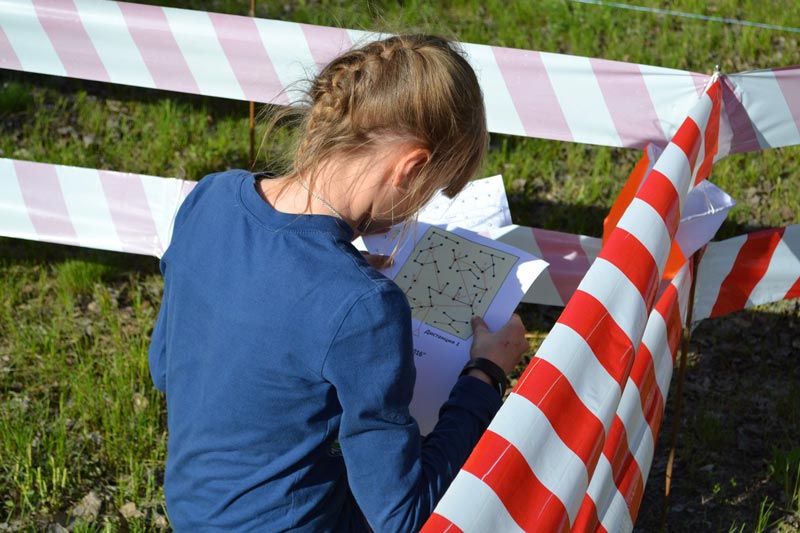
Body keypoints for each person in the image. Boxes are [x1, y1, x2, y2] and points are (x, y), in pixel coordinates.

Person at [148, 34, 528, 532]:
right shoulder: (365, 305)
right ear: (410, 168)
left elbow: (164, 368)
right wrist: (485, 376)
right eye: (431, 191)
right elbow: (400, 515)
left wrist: (329, 282)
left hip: (192, 510)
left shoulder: (211, 196)